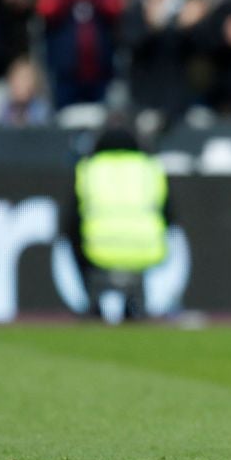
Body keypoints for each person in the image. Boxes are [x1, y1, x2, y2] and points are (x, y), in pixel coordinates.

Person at [65, 123, 171, 324]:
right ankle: (134, 305)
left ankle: (93, 303)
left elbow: (71, 223)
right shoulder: (150, 168)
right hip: (145, 250)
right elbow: (169, 217)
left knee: (75, 236)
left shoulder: (89, 169)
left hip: (98, 251)